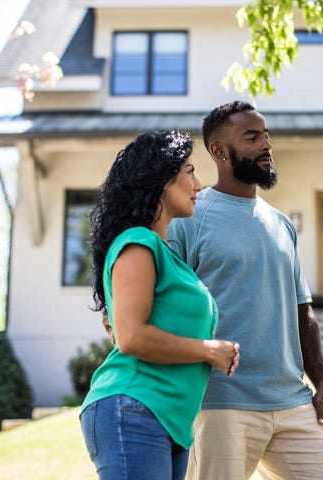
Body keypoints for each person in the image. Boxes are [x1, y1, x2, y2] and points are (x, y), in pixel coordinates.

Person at [167, 101, 323, 480]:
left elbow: (302, 311)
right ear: (218, 151)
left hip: (293, 400)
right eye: (251, 137)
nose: (266, 145)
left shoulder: (281, 224)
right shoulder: (188, 220)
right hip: (221, 402)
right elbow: (168, 307)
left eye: (266, 136)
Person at [80, 130, 240, 480]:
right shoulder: (138, 242)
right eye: (190, 171)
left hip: (168, 420)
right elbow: (132, 338)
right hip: (134, 406)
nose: (199, 184)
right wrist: (209, 350)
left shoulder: (168, 254)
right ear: (161, 179)